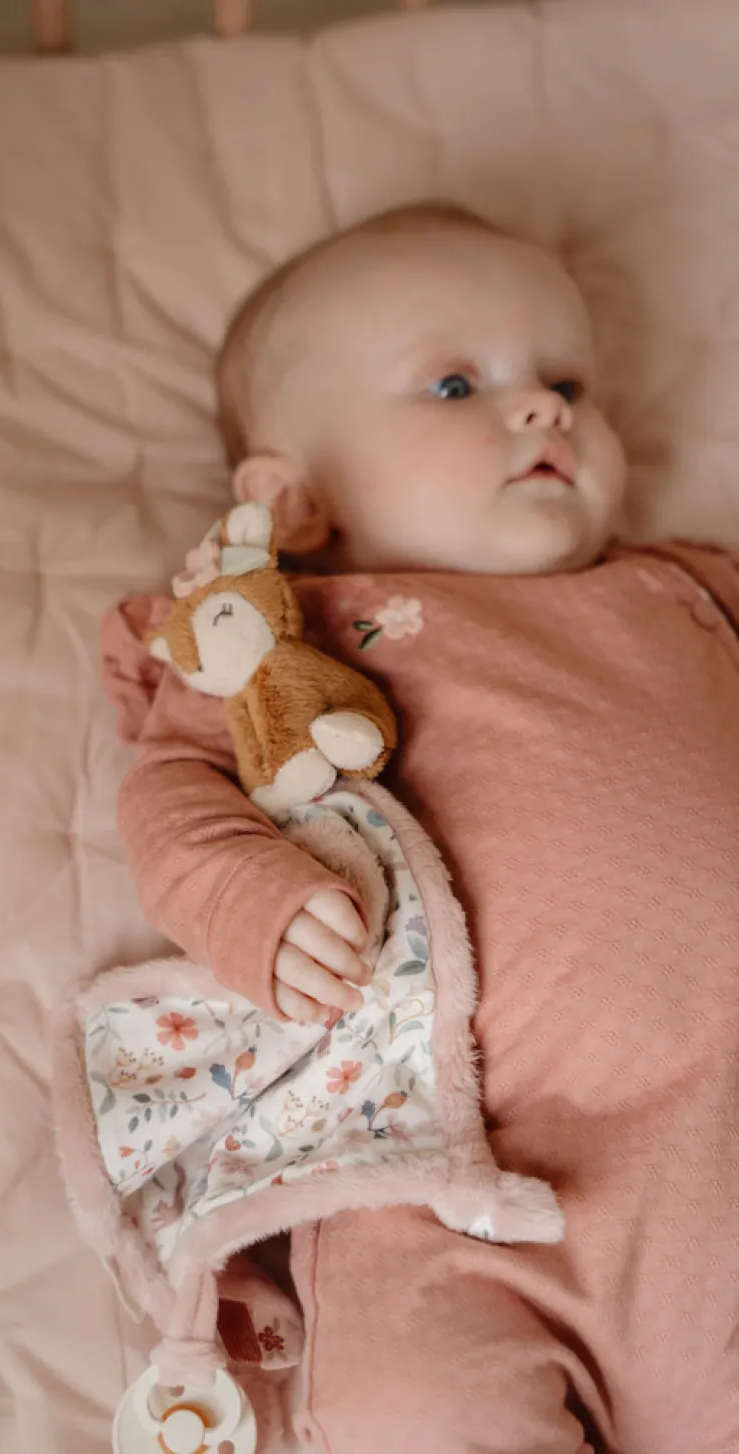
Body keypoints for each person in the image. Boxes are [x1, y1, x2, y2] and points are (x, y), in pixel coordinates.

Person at [109, 202, 739, 1453]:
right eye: (457, 384)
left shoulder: (684, 592)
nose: (543, 406)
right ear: (291, 501)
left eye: (567, 381)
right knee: (417, 1409)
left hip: (713, 1160)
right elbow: (171, 796)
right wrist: (254, 903)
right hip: (436, 1182)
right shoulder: (279, 640)